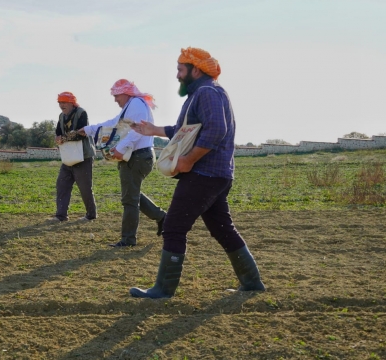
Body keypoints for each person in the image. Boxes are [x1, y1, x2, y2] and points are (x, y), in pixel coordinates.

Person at [128, 47, 265, 298]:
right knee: (223, 228)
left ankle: (163, 290)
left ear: (196, 70)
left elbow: (216, 131)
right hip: (217, 175)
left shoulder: (206, 92)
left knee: (173, 227)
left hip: (204, 174)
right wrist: (152, 130)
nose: (178, 75)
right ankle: (253, 282)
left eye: (181, 69)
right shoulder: (202, 93)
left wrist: (189, 160)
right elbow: (184, 130)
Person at [78, 80, 166, 247]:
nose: (115, 99)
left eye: (116, 95)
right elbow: (113, 123)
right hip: (139, 156)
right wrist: (89, 129)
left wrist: (120, 147)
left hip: (137, 157)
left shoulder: (136, 105)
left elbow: (137, 130)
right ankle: (162, 218)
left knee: (129, 200)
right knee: (132, 194)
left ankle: (128, 240)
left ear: (126, 93)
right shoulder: (132, 105)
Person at [49, 92, 98, 222]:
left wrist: (63, 138)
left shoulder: (82, 113)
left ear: (72, 103)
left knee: (85, 187)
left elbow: (81, 133)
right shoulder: (61, 116)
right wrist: (58, 138)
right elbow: (58, 132)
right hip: (68, 156)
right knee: (62, 184)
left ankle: (91, 215)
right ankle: (61, 216)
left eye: (64, 102)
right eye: (59, 102)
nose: (61, 105)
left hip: (84, 155)